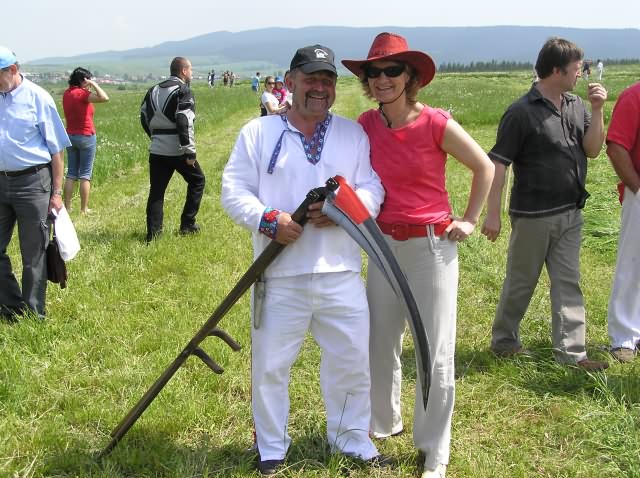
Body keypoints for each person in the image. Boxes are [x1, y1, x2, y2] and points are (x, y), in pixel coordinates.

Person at [221, 44, 387, 475]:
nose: (319, 88)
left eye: (327, 80)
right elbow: (234, 191)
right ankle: (271, 445)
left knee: (351, 360)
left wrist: (346, 210)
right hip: (278, 273)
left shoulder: (352, 134)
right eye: (310, 78)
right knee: (271, 366)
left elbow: (372, 188)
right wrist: (268, 219)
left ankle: (352, 439)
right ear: (290, 81)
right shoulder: (257, 133)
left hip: (340, 272)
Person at [342, 32, 494, 478]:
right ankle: (383, 423)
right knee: (379, 341)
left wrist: (470, 219)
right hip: (383, 247)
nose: (383, 78)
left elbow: (483, 166)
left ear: (409, 77)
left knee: (435, 351)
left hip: (430, 248)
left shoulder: (435, 123)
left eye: (392, 70)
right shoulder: (366, 125)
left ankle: (434, 449)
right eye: (375, 72)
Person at [481, 37, 608, 371]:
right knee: (521, 282)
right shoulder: (520, 112)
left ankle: (572, 354)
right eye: (576, 68)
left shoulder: (576, 105)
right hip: (533, 216)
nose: (581, 74)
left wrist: (598, 110)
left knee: (568, 282)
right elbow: (498, 164)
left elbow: (593, 149)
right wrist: (492, 214)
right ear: (556, 70)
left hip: (571, 213)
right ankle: (504, 342)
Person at [0, 46, 71, 320]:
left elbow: (57, 151)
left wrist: (56, 192)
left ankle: (33, 314)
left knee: (33, 253)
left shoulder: (38, 98)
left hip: (32, 183)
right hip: (1, 182)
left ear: (12, 70)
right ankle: (10, 306)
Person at [140, 56, 205, 242]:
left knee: (157, 192)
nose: (191, 73)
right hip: (178, 149)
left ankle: (153, 235)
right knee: (198, 180)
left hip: (157, 149)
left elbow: (144, 117)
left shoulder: (152, 90)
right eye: (190, 69)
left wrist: (155, 137)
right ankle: (187, 224)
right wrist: (189, 151)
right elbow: (184, 120)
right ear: (184, 71)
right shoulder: (184, 91)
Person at [605, 81, 640, 362]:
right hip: (639, 191)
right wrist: (638, 190)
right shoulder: (634, 96)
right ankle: (624, 338)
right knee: (632, 263)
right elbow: (616, 147)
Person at [62, 67, 109, 214]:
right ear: (84, 80)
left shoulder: (67, 93)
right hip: (86, 135)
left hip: (70, 135)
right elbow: (104, 98)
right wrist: (94, 84)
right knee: (85, 174)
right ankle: (83, 209)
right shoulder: (82, 94)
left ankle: (67, 207)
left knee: (71, 173)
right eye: (88, 80)